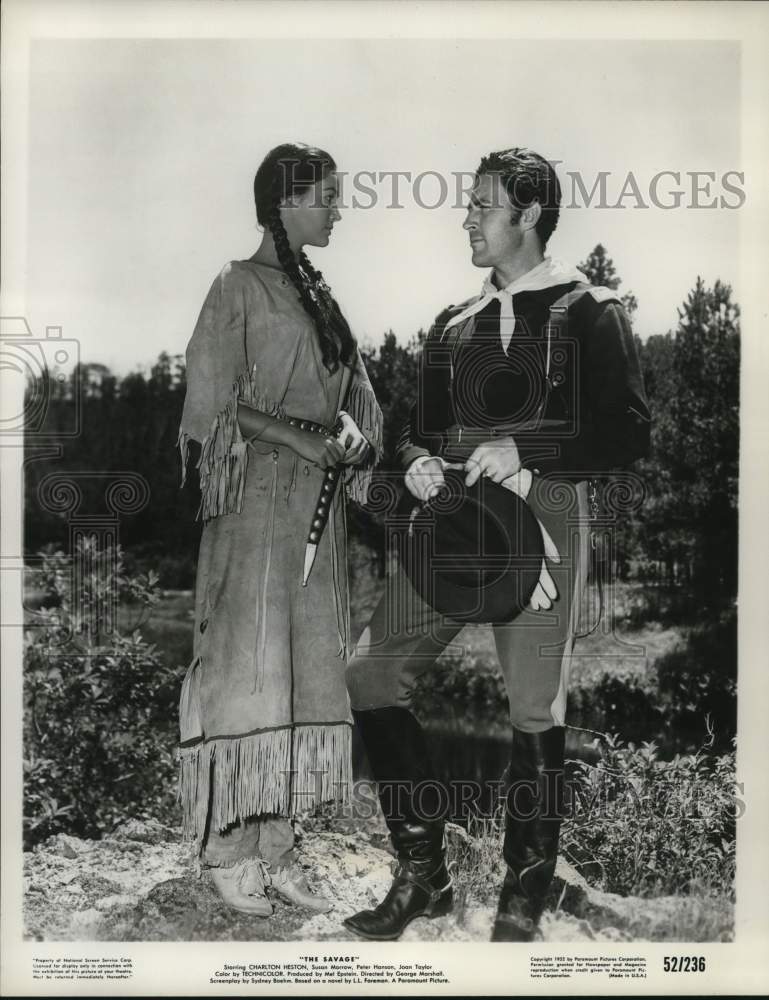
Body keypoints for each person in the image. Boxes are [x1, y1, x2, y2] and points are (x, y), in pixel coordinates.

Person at [343, 147, 650, 941]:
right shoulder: (452, 324)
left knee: (532, 710)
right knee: (371, 674)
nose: (468, 217)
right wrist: (411, 464)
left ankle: (523, 894)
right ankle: (424, 878)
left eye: (484, 204)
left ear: (529, 216)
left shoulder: (590, 310)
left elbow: (626, 431)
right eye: (469, 203)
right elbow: (418, 433)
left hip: (541, 523)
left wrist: (528, 451)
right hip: (451, 524)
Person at [177, 143, 382, 917]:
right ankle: (228, 848)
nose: (338, 208)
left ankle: (278, 843)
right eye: (329, 194)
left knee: (299, 669)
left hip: (315, 515)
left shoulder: (321, 299)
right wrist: (296, 437)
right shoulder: (236, 286)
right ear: (288, 200)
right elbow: (209, 406)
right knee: (245, 663)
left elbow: (359, 401)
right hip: (256, 504)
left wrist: (355, 439)